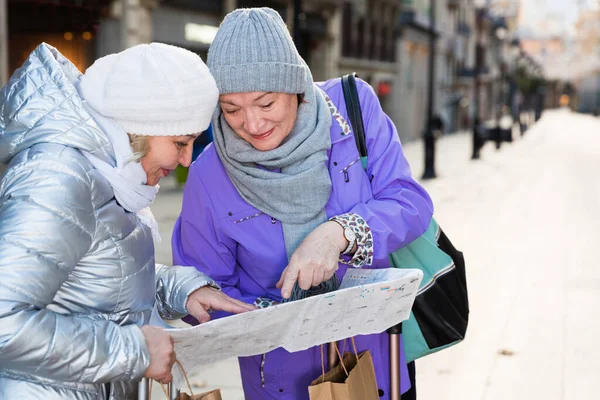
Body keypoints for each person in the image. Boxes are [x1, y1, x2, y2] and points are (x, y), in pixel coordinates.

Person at [172, 8, 433, 400]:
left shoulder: (352, 110)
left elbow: (410, 203)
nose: (252, 124)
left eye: (266, 103)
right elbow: (203, 288)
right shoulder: (209, 174)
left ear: (294, 86)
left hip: (376, 365)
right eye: (231, 109)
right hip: (280, 380)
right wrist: (268, 314)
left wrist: (340, 233)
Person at [0, 42, 255, 399]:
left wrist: (181, 289)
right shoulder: (58, 178)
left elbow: (95, 276)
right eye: (180, 142)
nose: (185, 160)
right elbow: (5, 323)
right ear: (140, 128)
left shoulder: (115, 172)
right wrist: (134, 351)